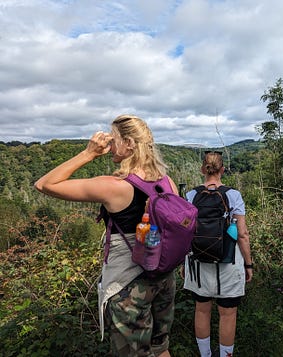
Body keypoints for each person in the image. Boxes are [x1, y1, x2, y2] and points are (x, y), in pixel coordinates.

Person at [35, 114, 177, 357]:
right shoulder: (166, 182)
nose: (109, 146)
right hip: (164, 277)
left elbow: (45, 184)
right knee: (160, 348)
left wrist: (88, 153)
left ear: (130, 144)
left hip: (129, 285)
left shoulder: (115, 186)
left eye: (114, 140)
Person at [183, 151, 253, 357]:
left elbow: (185, 232)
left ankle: (205, 355)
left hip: (198, 262)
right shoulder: (233, 195)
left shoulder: (191, 195)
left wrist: (183, 264)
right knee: (228, 314)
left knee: (202, 310)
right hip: (228, 263)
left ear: (202, 170)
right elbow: (242, 234)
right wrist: (248, 264)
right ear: (223, 170)